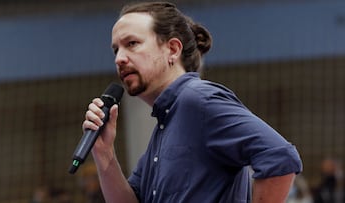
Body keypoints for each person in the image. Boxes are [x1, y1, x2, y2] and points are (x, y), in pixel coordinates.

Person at [83, 1, 303, 202]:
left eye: (132, 43)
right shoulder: (164, 127)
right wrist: (105, 154)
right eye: (116, 49)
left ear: (173, 49)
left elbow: (280, 157)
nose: (119, 58)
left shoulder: (198, 100)